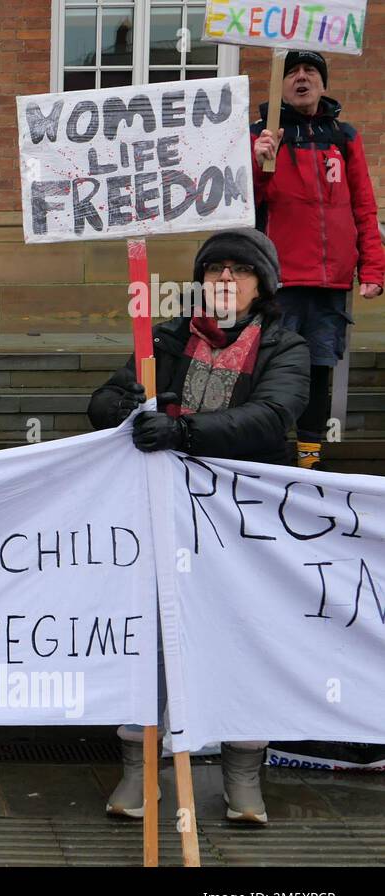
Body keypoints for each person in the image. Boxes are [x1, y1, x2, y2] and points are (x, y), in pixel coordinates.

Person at [88, 228, 310, 824]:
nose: (225, 282)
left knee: (246, 636)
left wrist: (186, 433)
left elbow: (273, 416)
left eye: (239, 272)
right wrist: (111, 404)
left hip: (247, 523)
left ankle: (243, 778)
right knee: (154, 639)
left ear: (261, 285)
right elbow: (111, 394)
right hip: (164, 513)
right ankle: (140, 772)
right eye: (215, 271)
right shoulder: (165, 337)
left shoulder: (284, 347)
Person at [251, 50, 384, 469]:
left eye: (311, 71)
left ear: (323, 84)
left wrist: (374, 267)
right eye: (292, 72)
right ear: (281, 84)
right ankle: (270, 454)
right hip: (281, 280)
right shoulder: (262, 134)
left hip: (332, 283)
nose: (302, 78)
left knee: (319, 369)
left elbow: (364, 205)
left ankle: (310, 460)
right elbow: (246, 201)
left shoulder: (344, 137)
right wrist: (257, 161)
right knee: (273, 370)